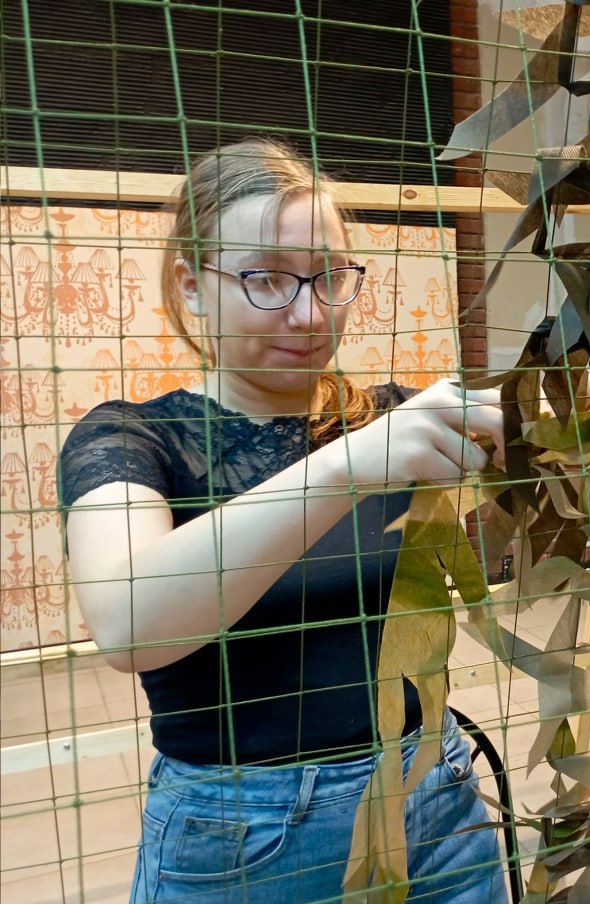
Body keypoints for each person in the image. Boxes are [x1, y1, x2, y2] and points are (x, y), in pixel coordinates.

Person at [58, 138, 507, 903]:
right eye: (267, 279)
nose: (308, 312)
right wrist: (349, 466)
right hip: (246, 838)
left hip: (434, 798)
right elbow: (131, 623)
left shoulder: (390, 419)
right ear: (191, 285)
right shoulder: (131, 438)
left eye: (329, 277)